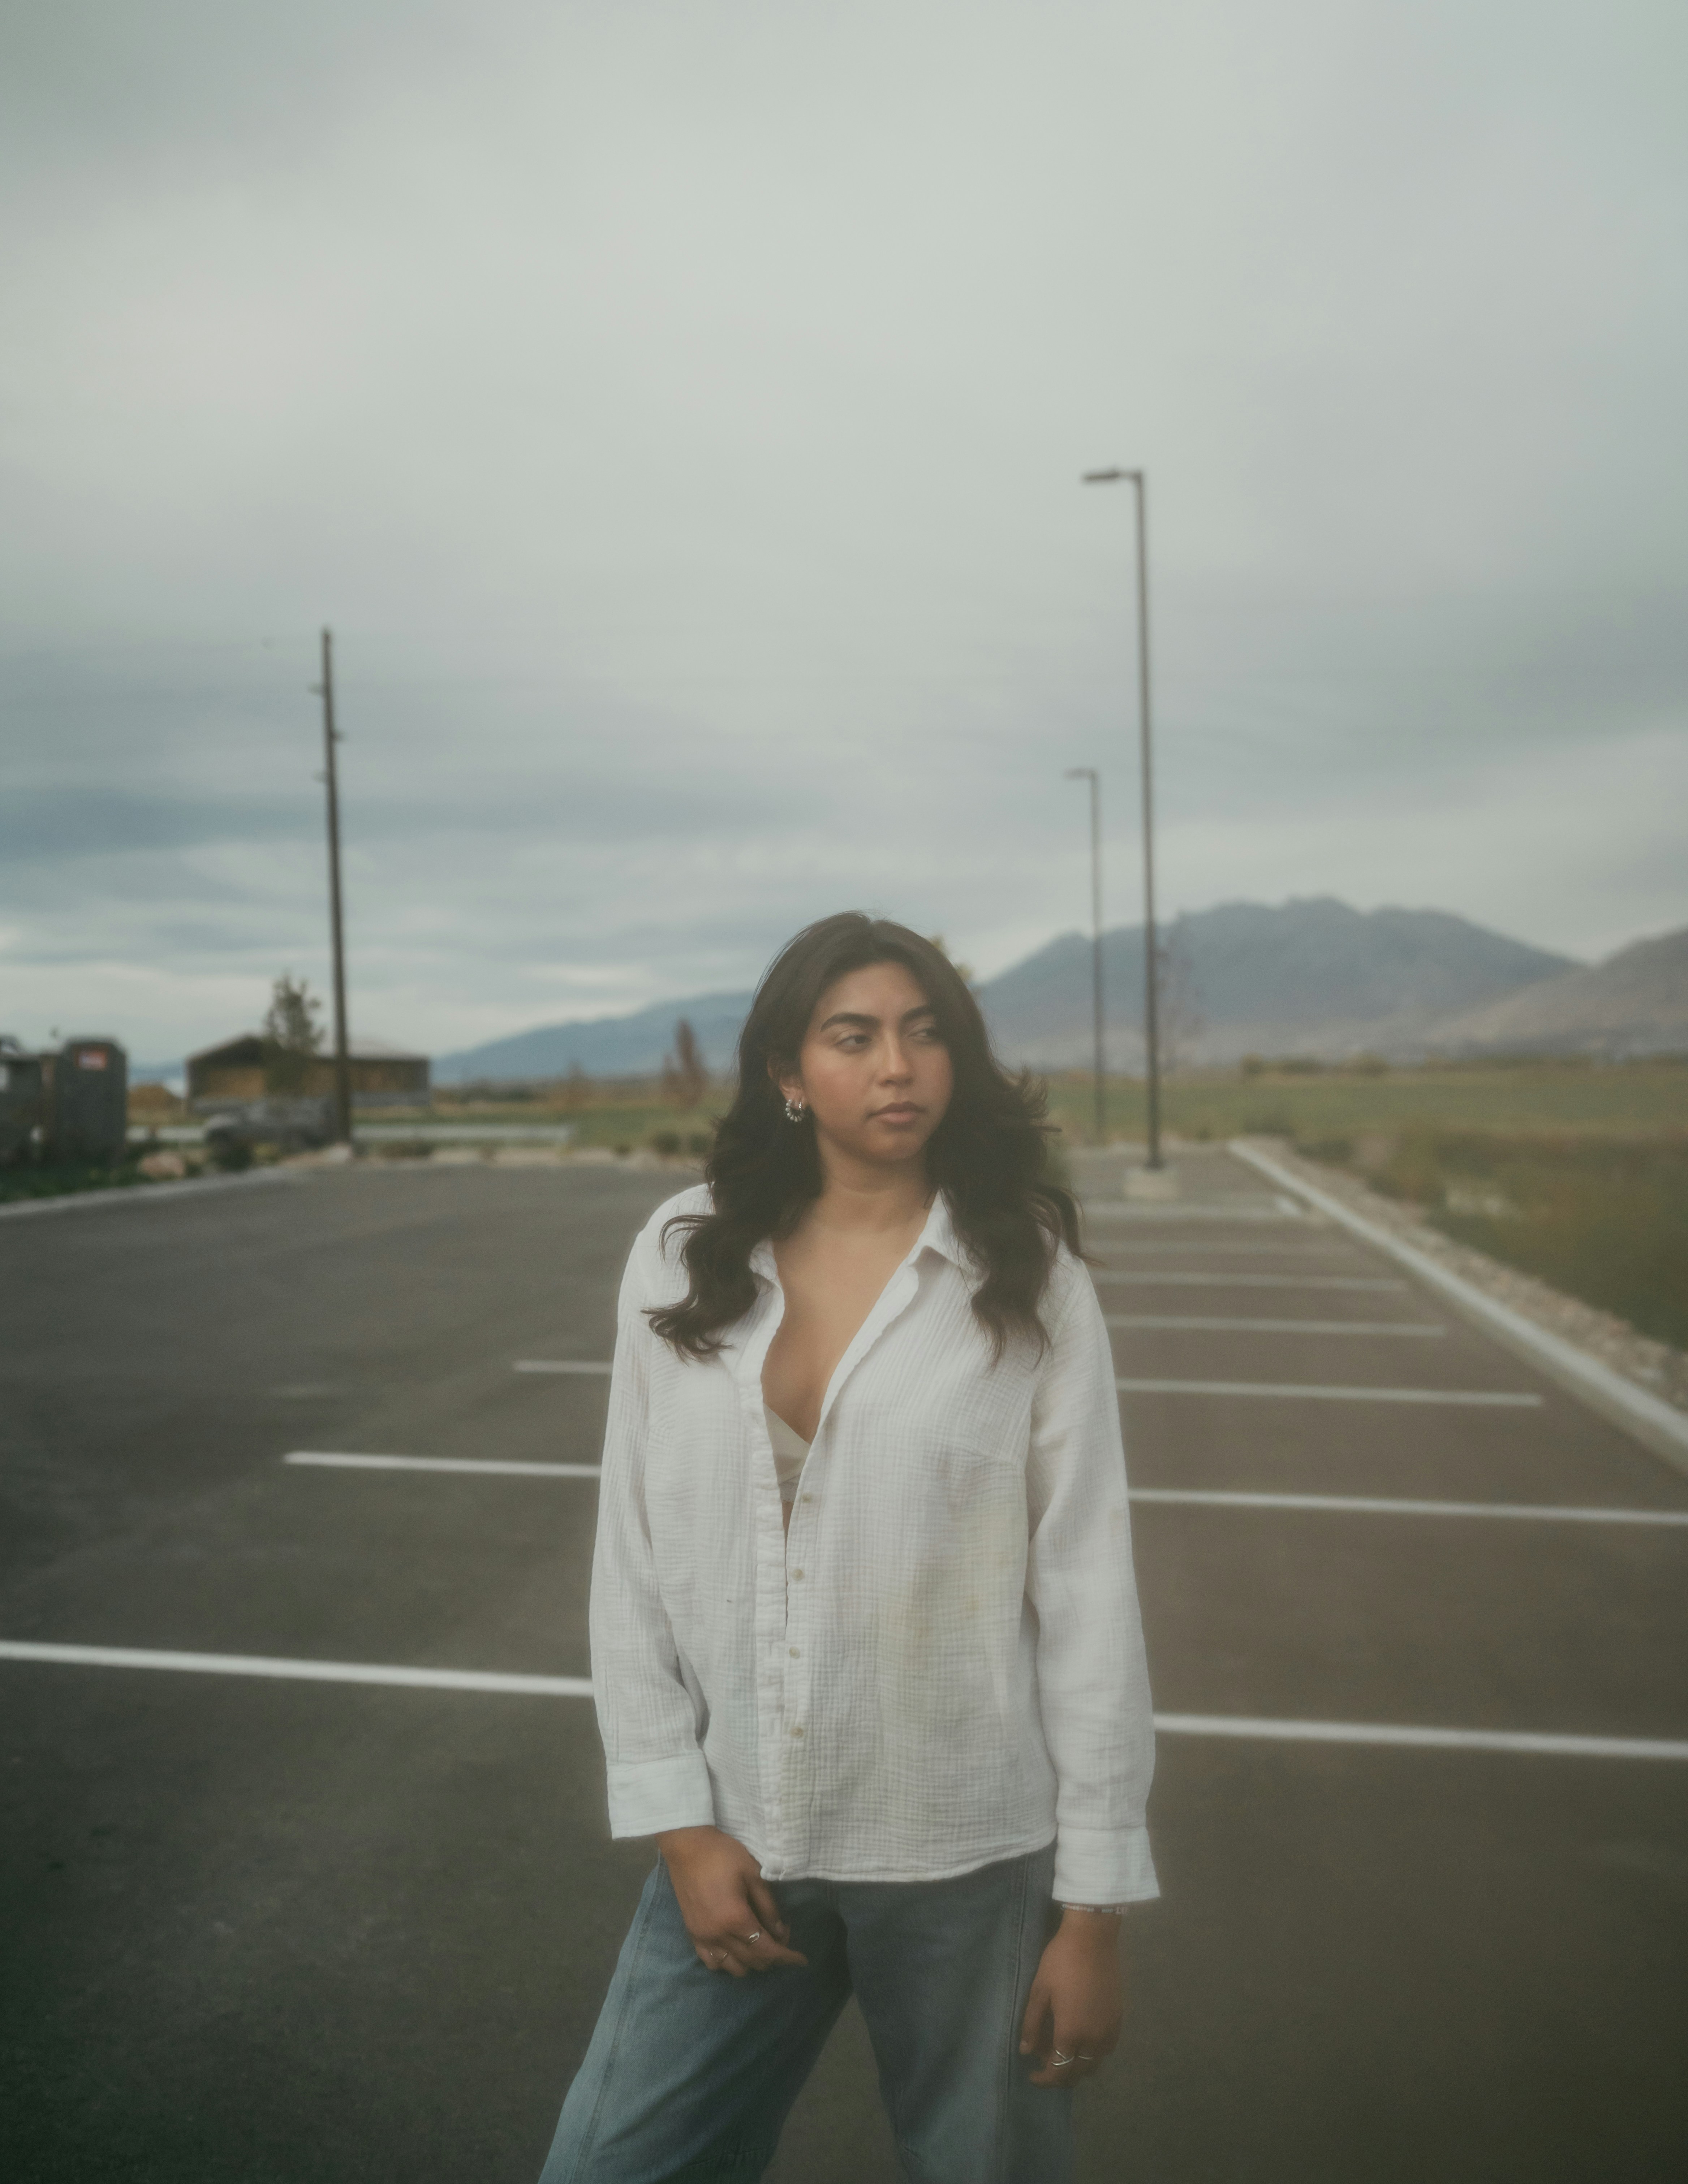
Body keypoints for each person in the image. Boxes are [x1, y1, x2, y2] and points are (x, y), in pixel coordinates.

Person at [539, 913, 1157, 2184]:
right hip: (738, 1839)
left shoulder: (1027, 1277)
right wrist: (679, 1828)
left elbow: (1090, 1592)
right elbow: (633, 1550)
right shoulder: (680, 1252)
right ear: (785, 1072)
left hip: (966, 1853)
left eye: (927, 1035)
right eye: (855, 1036)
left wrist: (1091, 1910)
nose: (898, 1067)